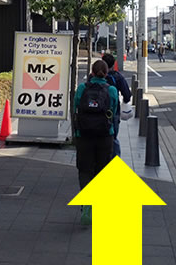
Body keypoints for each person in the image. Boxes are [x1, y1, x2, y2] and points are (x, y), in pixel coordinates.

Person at [73, 59, 119, 225]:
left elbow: (75, 108)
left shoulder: (82, 88)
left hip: (84, 134)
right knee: (102, 170)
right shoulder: (112, 90)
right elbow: (113, 111)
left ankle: (86, 203)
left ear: (91, 72)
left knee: (85, 170)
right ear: (106, 73)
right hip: (105, 136)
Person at [101, 53, 132, 157]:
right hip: (113, 112)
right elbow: (127, 95)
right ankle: (114, 162)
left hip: (95, 112)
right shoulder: (117, 77)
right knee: (113, 137)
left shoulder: (94, 76)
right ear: (113, 64)